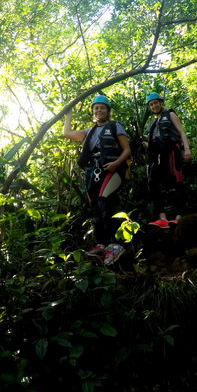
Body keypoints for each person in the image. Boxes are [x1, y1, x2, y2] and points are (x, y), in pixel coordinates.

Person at [63, 95, 131, 266]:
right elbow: (66, 133)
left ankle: (115, 245)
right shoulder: (88, 132)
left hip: (111, 169)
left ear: (108, 111)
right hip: (93, 172)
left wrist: (116, 164)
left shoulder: (116, 127)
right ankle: (101, 244)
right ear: (93, 112)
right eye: (96, 108)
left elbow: (127, 150)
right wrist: (68, 113)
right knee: (95, 206)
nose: (99, 110)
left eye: (102, 107)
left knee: (104, 201)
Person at [145, 92, 191, 228]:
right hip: (159, 155)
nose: (154, 105)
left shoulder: (170, 114)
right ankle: (162, 218)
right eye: (151, 104)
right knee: (152, 182)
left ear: (161, 102)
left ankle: (179, 216)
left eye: (156, 102)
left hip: (173, 151)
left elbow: (181, 132)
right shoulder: (153, 123)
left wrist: (187, 149)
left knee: (178, 182)